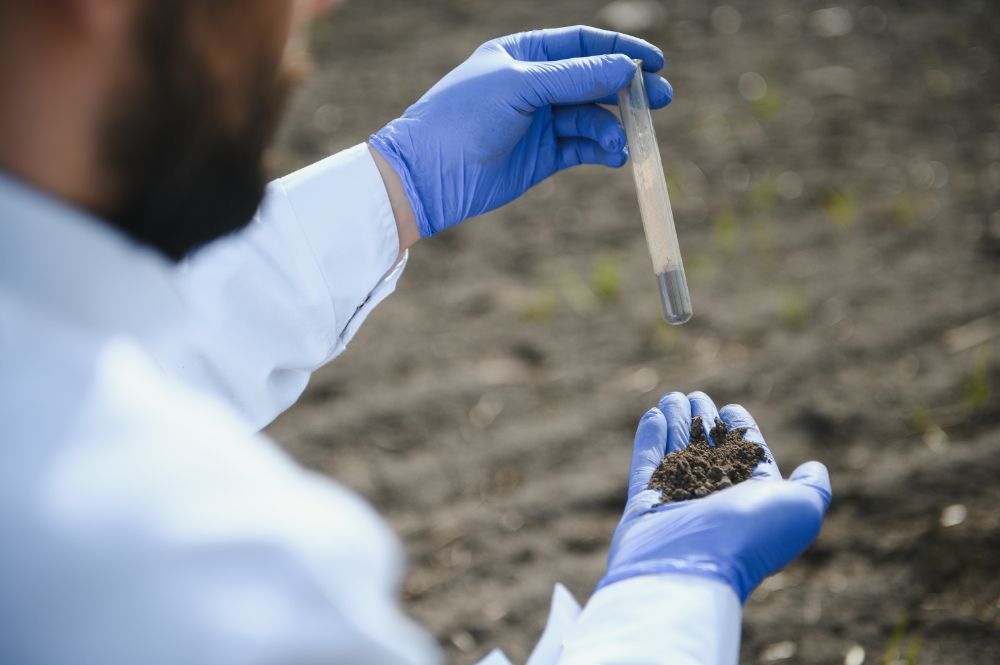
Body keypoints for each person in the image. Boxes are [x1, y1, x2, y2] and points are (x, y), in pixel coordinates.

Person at [0, 1, 832, 663]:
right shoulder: (193, 566)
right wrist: (669, 598)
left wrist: (395, 185)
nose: (317, 6)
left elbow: (90, 360)